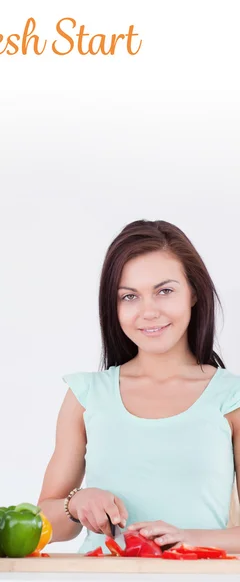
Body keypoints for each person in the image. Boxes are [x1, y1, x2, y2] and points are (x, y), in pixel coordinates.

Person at [37, 219, 240, 555]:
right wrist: (76, 503)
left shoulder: (231, 398)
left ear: (194, 293)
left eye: (165, 291)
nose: (148, 312)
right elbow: (41, 520)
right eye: (129, 296)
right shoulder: (86, 395)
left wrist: (186, 537)